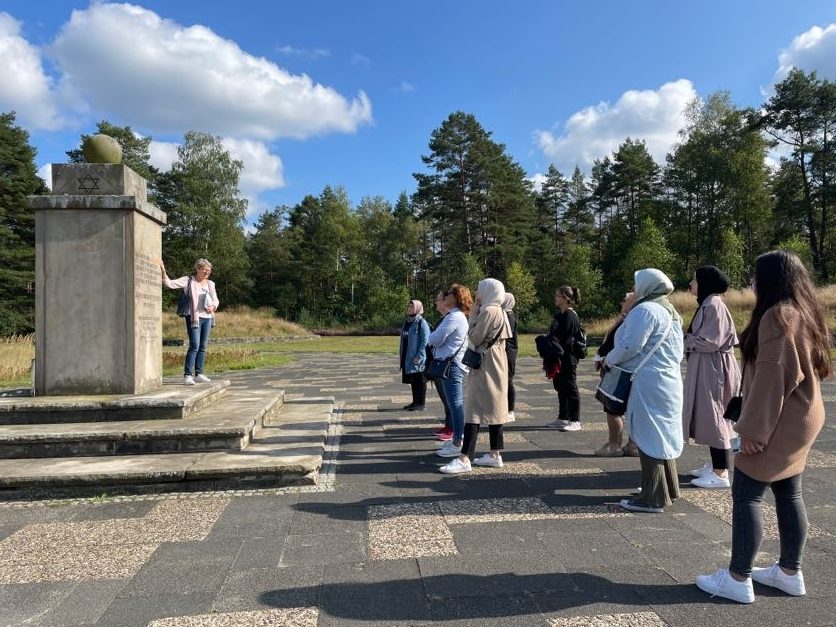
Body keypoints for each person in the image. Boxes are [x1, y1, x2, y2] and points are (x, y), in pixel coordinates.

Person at [696, 251, 831, 604]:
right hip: (804, 413)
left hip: (781, 418)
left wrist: (754, 431)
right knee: (789, 492)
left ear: (771, 280)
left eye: (755, 277)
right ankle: (789, 571)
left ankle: (738, 577)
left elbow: (772, 378)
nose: (751, 284)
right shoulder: (804, 311)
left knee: (747, 494)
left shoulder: (777, 316)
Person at [604, 269, 684, 513]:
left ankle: (653, 497)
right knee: (663, 435)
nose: (635, 289)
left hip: (648, 382)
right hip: (668, 380)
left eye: (637, 284)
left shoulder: (645, 310)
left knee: (647, 435)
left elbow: (630, 345)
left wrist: (609, 358)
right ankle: (668, 487)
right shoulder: (671, 311)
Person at [440, 279, 512, 474]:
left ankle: (465, 458)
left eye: (480, 288)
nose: (477, 292)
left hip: (486, 363)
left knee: (473, 408)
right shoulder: (500, 310)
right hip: (497, 361)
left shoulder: (488, 311)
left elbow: (474, 337)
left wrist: (472, 315)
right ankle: (495, 454)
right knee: (495, 406)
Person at [682, 266, 741, 489]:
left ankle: (720, 472)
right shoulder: (709, 303)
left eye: (695, 279)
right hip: (708, 366)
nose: (691, 283)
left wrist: (685, 341)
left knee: (716, 414)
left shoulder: (714, 304)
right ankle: (716, 465)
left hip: (713, 367)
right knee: (709, 414)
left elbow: (710, 342)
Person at [158, 258, 219, 385]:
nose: (207, 272)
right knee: (194, 345)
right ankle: (188, 375)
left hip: (207, 318)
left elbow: (215, 300)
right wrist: (163, 271)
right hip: (194, 318)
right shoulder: (188, 281)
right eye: (204, 270)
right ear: (197, 269)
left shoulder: (210, 284)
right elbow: (169, 284)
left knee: (203, 346)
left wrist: (213, 306)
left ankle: (199, 373)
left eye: (209, 270)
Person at [428, 284, 472, 458]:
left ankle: (458, 441)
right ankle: (456, 439)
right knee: (454, 403)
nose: (445, 296)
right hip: (452, 364)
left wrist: (433, 339)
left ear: (456, 297)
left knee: (455, 404)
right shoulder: (456, 316)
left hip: (451, 365)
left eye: (449, 294)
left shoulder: (454, 317)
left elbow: (434, 338)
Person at [593, 291, 639, 457]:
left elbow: (620, 345)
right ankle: (631, 444)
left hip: (620, 369)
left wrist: (606, 359)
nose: (621, 302)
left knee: (613, 408)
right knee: (628, 408)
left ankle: (615, 445)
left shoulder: (629, 321)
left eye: (624, 299)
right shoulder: (628, 319)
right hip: (622, 368)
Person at [545, 286, 583, 431]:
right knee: (561, 387)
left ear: (566, 298)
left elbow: (564, 339)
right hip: (560, 357)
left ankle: (575, 420)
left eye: (557, 295)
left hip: (568, 357)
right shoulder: (561, 315)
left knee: (570, 386)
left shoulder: (569, 315)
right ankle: (563, 417)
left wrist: (552, 342)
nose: (555, 298)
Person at [430, 291, 455, 441]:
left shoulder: (451, 318)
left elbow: (435, 339)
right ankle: (448, 424)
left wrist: (432, 340)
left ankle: (452, 429)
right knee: (445, 398)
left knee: (450, 398)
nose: (436, 302)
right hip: (440, 362)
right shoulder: (445, 318)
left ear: (446, 301)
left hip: (447, 363)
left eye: (438, 299)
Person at [400, 300, 430, 411]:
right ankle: (415, 402)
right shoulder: (407, 322)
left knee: (420, 379)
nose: (409, 308)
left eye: (412, 307)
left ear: (418, 308)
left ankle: (421, 404)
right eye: (409, 306)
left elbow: (425, 340)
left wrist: (420, 355)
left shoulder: (421, 322)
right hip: (408, 355)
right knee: (413, 379)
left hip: (417, 356)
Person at [503, 293, 519, 422]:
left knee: (508, 380)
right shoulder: (505, 315)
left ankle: (510, 410)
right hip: (507, 351)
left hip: (509, 352)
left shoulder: (509, 316)